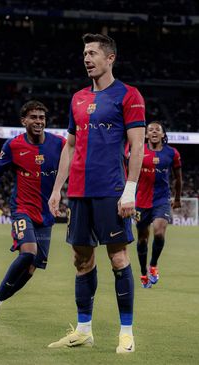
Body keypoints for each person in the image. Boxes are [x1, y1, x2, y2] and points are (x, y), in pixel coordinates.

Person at [48, 33, 146, 353]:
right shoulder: (76, 98)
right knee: (82, 259)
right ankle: (84, 330)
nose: (86, 58)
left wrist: (130, 189)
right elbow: (70, 146)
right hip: (78, 191)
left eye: (92, 53)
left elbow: (136, 146)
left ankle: (126, 333)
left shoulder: (128, 95)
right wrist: (56, 190)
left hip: (111, 190)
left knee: (118, 258)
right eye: (84, 53)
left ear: (110, 58)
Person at [0, 100, 66, 325]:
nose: (39, 121)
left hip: (46, 215)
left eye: (42, 118)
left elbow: (76, 166)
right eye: (34, 117)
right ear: (24, 121)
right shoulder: (13, 145)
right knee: (28, 252)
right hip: (22, 210)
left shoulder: (60, 144)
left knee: (30, 270)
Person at [135, 121, 182, 288]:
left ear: (163, 134)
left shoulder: (172, 153)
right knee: (142, 239)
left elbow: (178, 177)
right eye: (150, 130)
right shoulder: (138, 151)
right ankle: (142, 272)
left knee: (159, 232)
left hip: (161, 200)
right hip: (141, 201)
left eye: (157, 130)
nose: (154, 132)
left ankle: (153, 266)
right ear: (146, 134)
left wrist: (177, 198)